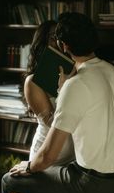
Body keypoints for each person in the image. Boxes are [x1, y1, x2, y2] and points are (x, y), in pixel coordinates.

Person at [2, 12, 114, 193]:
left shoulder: (75, 84)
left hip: (94, 186)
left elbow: (47, 156)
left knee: (8, 180)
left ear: (65, 46)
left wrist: (28, 166)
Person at [23, 20, 75, 165]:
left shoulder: (75, 70)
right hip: (46, 155)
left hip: (73, 157)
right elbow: (53, 123)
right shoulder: (33, 82)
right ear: (42, 42)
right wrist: (63, 90)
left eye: (61, 38)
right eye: (53, 38)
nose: (59, 42)